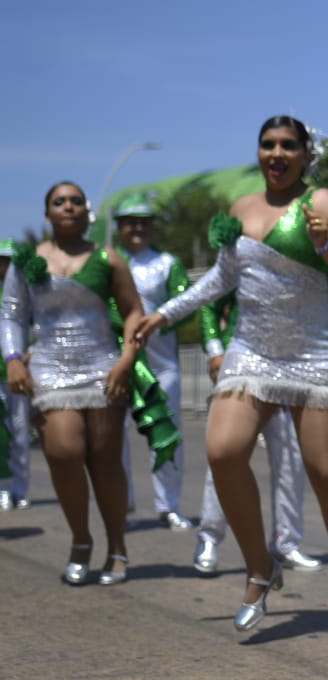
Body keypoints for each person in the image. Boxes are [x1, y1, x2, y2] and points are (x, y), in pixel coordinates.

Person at [134, 116, 328, 640]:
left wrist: (324, 247)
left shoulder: (322, 204)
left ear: (305, 154)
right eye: (267, 145)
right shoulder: (241, 209)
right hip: (250, 350)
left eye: (287, 146)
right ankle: (260, 568)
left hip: (313, 352)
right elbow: (222, 279)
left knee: (327, 474)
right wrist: (163, 315)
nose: (276, 153)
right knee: (223, 450)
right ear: (258, 152)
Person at [1, 182, 151, 585]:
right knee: (63, 451)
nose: (68, 207)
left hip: (103, 369)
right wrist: (14, 359)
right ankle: (81, 539)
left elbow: (134, 312)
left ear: (88, 212)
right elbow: (12, 315)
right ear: (47, 213)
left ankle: (117, 547)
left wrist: (126, 361)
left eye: (76, 202)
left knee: (105, 462)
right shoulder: (26, 261)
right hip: (49, 370)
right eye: (59, 202)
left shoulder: (109, 258)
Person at [192, 293, 319, 574]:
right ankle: (209, 538)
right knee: (226, 455)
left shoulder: (304, 259)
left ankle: (286, 543)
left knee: (290, 458)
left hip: (287, 368)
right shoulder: (242, 251)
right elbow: (208, 306)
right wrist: (215, 350)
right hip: (241, 367)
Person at [112, 197, 194, 530]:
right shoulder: (109, 261)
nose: (137, 228)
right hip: (119, 364)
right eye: (130, 222)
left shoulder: (166, 262)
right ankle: (121, 505)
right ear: (119, 227)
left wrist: (156, 322)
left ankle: (168, 505)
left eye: (143, 222)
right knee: (114, 439)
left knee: (167, 434)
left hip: (161, 365)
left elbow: (184, 301)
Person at [0, 239, 33, 512]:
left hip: (20, 374)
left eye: (9, 261)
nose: (5, 266)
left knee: (21, 432)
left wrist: (31, 351)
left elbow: (42, 325)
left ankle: (20, 489)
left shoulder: (28, 291)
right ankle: (3, 488)